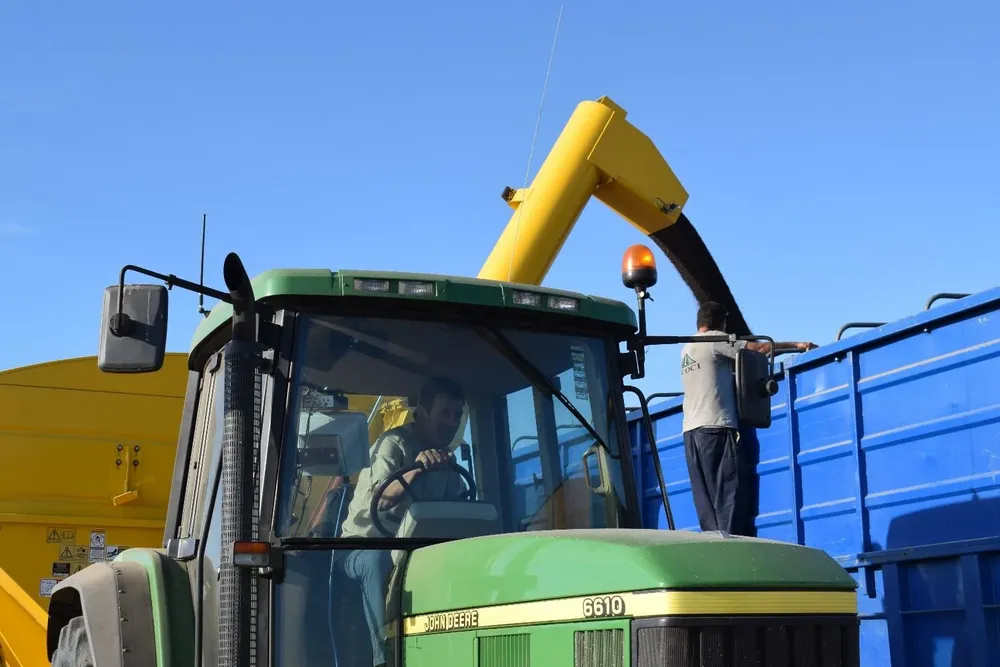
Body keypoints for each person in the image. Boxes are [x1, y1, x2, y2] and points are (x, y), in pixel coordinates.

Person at [336, 376, 467, 667]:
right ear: (421, 412)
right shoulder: (393, 444)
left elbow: (456, 511)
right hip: (359, 548)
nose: (452, 421)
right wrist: (416, 469)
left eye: (457, 415)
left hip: (412, 550)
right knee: (376, 560)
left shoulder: (448, 461)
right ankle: (386, 657)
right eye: (444, 413)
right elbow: (379, 501)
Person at [680, 301, 815, 536]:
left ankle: (712, 553)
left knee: (707, 506)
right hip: (716, 427)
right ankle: (730, 554)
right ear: (720, 323)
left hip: (691, 432)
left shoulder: (687, 349)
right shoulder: (714, 340)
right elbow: (758, 350)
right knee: (728, 497)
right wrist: (797, 345)